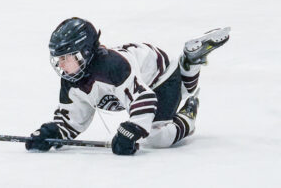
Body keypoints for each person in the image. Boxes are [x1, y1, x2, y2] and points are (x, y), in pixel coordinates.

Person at [25, 17, 230, 155]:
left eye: (65, 58)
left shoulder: (112, 67)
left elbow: (144, 98)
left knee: (158, 136)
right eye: (57, 59)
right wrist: (52, 134)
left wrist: (133, 129)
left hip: (161, 76)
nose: (60, 65)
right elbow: (74, 118)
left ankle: (188, 106)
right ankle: (190, 64)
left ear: (85, 52)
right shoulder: (72, 79)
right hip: (143, 67)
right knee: (180, 95)